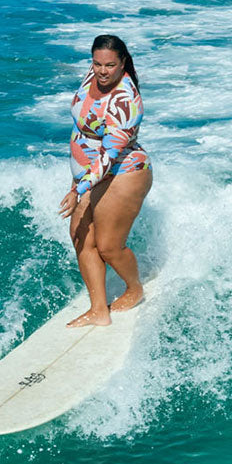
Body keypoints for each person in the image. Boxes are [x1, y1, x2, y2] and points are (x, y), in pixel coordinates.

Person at [58, 34, 152, 327]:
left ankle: (134, 289)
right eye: (97, 63)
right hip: (90, 175)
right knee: (81, 238)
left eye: (110, 65)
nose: (102, 71)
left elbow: (109, 156)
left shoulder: (124, 102)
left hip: (123, 173)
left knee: (108, 246)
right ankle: (99, 310)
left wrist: (79, 188)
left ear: (123, 63)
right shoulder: (94, 77)